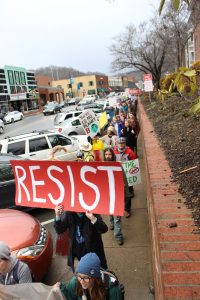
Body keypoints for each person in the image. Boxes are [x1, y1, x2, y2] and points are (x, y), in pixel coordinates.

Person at [54, 206, 108, 271]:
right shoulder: (69, 214)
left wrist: (93, 218)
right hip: (80, 252)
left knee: (99, 272)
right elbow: (59, 230)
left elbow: (104, 229)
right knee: (87, 273)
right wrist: (57, 215)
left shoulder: (92, 212)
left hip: (94, 251)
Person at [56, 252, 123, 300]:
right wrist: (61, 289)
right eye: (79, 276)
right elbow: (69, 295)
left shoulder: (112, 291)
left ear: (95, 278)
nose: (81, 281)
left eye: (85, 278)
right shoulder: (76, 282)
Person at [103, 148, 125, 245]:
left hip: (117, 195)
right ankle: (111, 223)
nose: (108, 156)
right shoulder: (101, 166)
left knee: (117, 218)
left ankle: (118, 236)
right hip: (107, 195)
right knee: (110, 212)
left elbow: (123, 180)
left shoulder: (118, 166)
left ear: (113, 156)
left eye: (109, 154)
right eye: (106, 154)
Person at [114, 137, 136, 218]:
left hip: (127, 175)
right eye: (119, 143)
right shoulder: (114, 151)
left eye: (122, 143)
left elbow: (134, 164)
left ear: (125, 144)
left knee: (128, 193)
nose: (121, 145)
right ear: (117, 144)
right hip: (118, 175)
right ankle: (119, 207)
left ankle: (127, 209)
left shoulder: (130, 152)